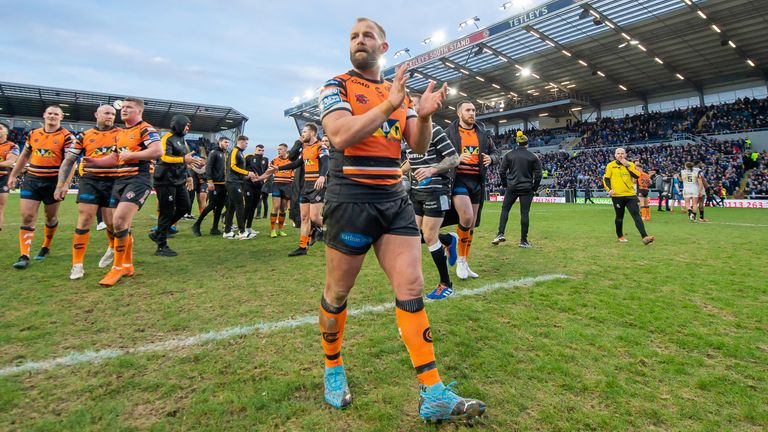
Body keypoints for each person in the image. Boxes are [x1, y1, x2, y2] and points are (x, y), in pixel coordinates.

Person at [318, 17, 484, 422]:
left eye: (367, 35)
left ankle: (433, 393)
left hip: (393, 198)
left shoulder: (398, 93)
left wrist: (422, 114)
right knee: (338, 293)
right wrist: (392, 103)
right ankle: (333, 367)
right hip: (351, 198)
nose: (359, 41)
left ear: (384, 47)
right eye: (353, 36)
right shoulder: (336, 86)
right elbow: (340, 136)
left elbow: (418, 143)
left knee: (412, 285)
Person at [97, 97, 163, 286]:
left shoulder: (146, 129)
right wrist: (94, 162)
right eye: (123, 107)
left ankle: (116, 268)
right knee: (114, 223)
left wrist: (132, 155)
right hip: (119, 180)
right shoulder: (119, 132)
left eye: (129, 108)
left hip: (139, 179)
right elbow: (115, 158)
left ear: (139, 112)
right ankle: (127, 264)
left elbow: (157, 151)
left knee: (119, 220)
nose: (124, 110)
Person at [402, 94, 459, 299]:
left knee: (428, 235)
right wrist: (398, 171)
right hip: (417, 191)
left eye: (415, 105)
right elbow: (412, 159)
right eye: (409, 106)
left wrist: (432, 170)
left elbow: (454, 158)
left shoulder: (435, 131)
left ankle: (446, 284)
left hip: (436, 189)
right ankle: (448, 239)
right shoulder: (409, 134)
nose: (411, 109)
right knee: (413, 235)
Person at [54, 105, 121, 279]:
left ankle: (113, 247)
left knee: (111, 222)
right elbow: (68, 161)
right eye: (106, 113)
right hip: (90, 181)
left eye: (113, 114)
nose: (110, 116)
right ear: (96, 114)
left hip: (113, 181)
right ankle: (77, 265)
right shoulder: (84, 136)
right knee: (85, 219)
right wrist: (60, 184)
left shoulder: (121, 134)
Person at [7, 105, 77, 269]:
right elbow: (24, 156)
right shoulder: (33, 134)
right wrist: (13, 175)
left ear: (61, 117)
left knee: (50, 218)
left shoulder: (67, 137)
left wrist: (65, 184)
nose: (52, 116)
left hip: (53, 182)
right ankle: (24, 255)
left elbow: (70, 163)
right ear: (44, 115)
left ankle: (46, 246)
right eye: (50, 113)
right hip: (32, 179)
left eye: (56, 114)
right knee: (27, 216)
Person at [445, 100, 499, 280]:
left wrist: (491, 159)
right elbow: (441, 155)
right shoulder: (449, 133)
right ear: (459, 113)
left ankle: (465, 261)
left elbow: (496, 153)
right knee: (466, 217)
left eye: (474, 110)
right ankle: (460, 260)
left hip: (477, 181)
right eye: (468, 110)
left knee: (472, 222)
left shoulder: (483, 133)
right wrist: (457, 157)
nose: (472, 113)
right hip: (459, 179)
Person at [150, 115, 203, 256]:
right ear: (178, 124)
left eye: (188, 127)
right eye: (186, 125)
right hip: (165, 181)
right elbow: (163, 157)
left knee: (185, 206)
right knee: (166, 212)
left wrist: (188, 176)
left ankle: (158, 232)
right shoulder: (167, 138)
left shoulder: (181, 139)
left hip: (178, 180)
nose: (187, 128)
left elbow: (184, 162)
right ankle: (161, 246)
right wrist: (183, 159)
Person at [280, 123, 329, 256]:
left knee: (314, 217)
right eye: (302, 132)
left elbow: (326, 162)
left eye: (305, 132)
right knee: (304, 217)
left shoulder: (321, 146)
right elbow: (296, 163)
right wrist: (278, 168)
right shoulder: (305, 148)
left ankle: (338, 227)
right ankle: (303, 247)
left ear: (313, 133)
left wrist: (322, 177)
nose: (303, 134)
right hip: (306, 186)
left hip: (317, 186)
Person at [492, 132, 542, 248]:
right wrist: (534, 188)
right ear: (527, 144)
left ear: (517, 143)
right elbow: (539, 175)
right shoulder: (533, 157)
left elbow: (501, 171)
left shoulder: (509, 155)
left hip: (512, 187)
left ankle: (500, 234)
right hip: (527, 188)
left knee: (505, 210)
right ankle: (523, 241)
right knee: (524, 213)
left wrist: (505, 185)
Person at [602, 148, 655, 245]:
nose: (620, 155)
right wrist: (609, 190)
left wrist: (626, 165)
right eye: (618, 153)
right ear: (615, 155)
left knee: (636, 215)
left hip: (630, 195)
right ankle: (620, 236)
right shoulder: (610, 165)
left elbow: (637, 176)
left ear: (625, 155)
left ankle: (645, 237)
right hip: (617, 196)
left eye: (622, 153)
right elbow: (606, 179)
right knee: (619, 217)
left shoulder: (630, 164)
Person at [223, 135, 272, 239]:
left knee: (232, 207)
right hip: (233, 181)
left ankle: (227, 231)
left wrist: (246, 175)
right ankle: (242, 232)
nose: (246, 145)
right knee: (240, 206)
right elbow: (232, 166)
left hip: (236, 181)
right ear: (241, 142)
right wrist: (247, 173)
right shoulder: (235, 151)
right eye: (246, 143)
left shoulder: (240, 152)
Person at [192, 137, 228, 236]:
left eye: (228, 142)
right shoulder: (214, 152)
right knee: (211, 205)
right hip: (215, 184)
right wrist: (210, 181)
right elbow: (208, 167)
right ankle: (196, 225)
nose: (227, 144)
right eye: (225, 142)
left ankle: (214, 228)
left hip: (223, 184)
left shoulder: (225, 154)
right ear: (219, 142)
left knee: (220, 207)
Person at [269, 143, 294, 238]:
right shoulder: (274, 160)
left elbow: (294, 173)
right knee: (275, 206)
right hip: (277, 184)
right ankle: (272, 230)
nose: (278, 151)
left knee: (283, 208)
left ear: (286, 150)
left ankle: (280, 230)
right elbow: (269, 172)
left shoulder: (291, 161)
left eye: (280, 149)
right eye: (278, 149)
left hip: (287, 185)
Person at [243, 144, 269, 236]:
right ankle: (241, 229)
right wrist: (246, 176)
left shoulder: (265, 160)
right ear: (255, 150)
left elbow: (266, 173)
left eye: (262, 150)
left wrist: (262, 180)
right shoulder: (249, 157)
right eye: (259, 150)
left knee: (253, 207)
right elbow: (242, 169)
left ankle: (249, 227)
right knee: (248, 206)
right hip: (248, 185)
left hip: (259, 186)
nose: (261, 152)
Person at [0, 122, 20, 232]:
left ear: (6, 132)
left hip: (2, 179)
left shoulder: (12, 146)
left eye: (0, 128)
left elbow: (9, 162)